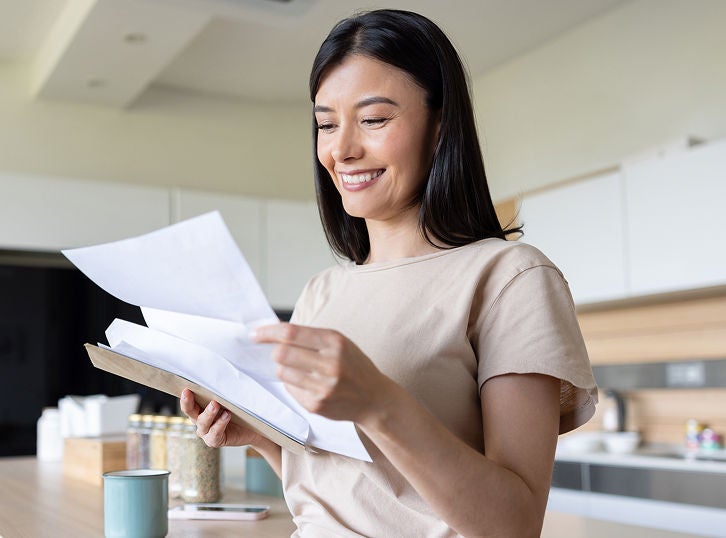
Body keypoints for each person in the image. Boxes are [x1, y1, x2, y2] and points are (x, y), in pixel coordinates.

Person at [181, 8, 597, 537]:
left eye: (374, 119)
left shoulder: (510, 278)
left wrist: (379, 402)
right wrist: (264, 437)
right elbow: (346, 496)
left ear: (440, 125)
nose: (342, 149)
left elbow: (513, 526)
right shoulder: (321, 292)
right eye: (327, 123)